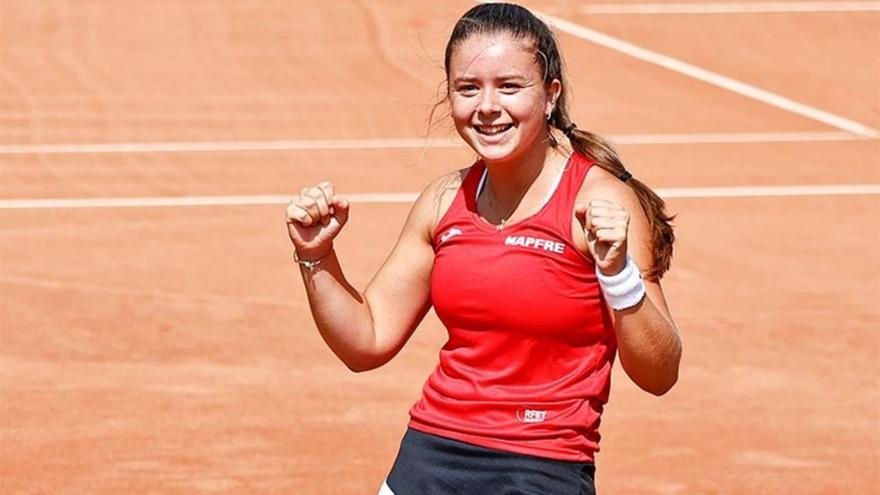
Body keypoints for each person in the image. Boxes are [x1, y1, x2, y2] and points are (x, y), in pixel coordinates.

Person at [284, 3, 682, 494]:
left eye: (509, 87)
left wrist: (618, 272)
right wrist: (316, 257)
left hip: (542, 466)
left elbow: (660, 373)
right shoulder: (443, 200)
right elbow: (367, 341)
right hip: (429, 455)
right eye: (468, 89)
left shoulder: (599, 204)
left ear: (550, 95)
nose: (487, 107)